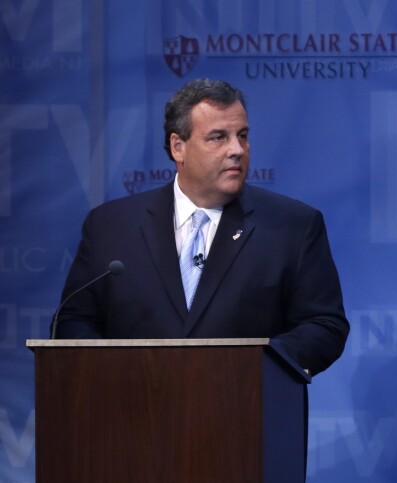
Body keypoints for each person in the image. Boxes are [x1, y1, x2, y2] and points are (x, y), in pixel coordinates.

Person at [55, 78, 349, 375]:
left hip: (246, 408)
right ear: (178, 146)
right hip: (133, 407)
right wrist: (115, 370)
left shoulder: (291, 226)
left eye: (243, 135)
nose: (237, 149)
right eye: (218, 137)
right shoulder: (111, 226)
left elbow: (324, 325)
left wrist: (257, 366)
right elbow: (73, 320)